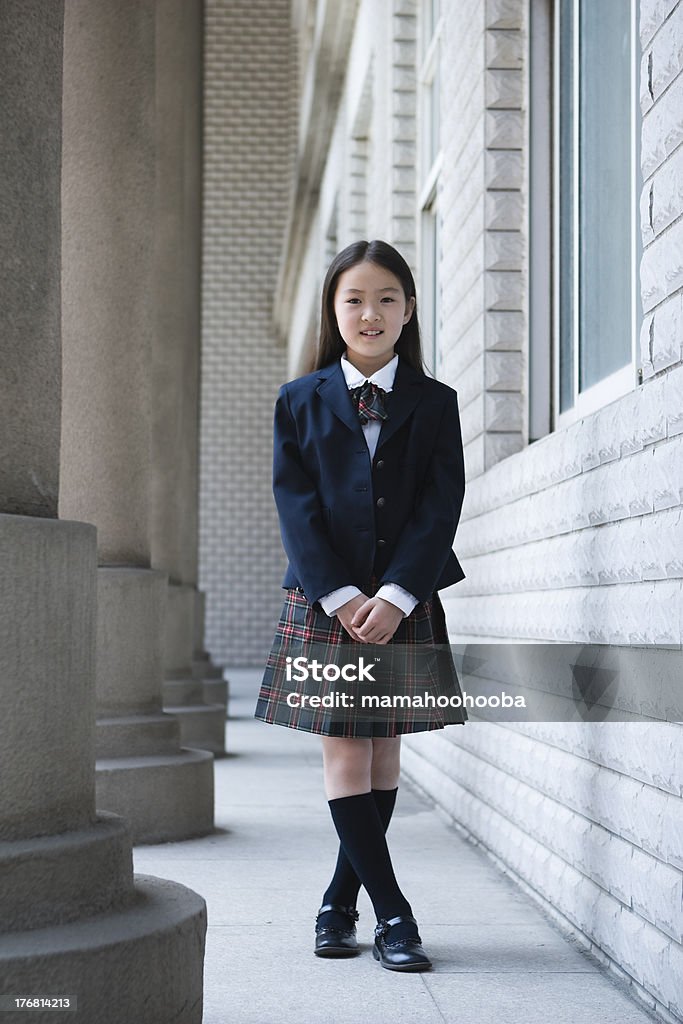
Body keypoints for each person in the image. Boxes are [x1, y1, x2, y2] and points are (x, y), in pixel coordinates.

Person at [255, 239, 467, 972]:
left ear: (408, 311)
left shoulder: (435, 404)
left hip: (405, 599)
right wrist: (343, 597)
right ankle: (395, 916)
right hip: (326, 604)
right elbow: (295, 508)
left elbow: (440, 508)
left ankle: (338, 902)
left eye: (386, 298)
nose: (369, 312)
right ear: (333, 310)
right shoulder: (298, 400)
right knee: (347, 752)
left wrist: (400, 594)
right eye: (354, 299)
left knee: (381, 752)